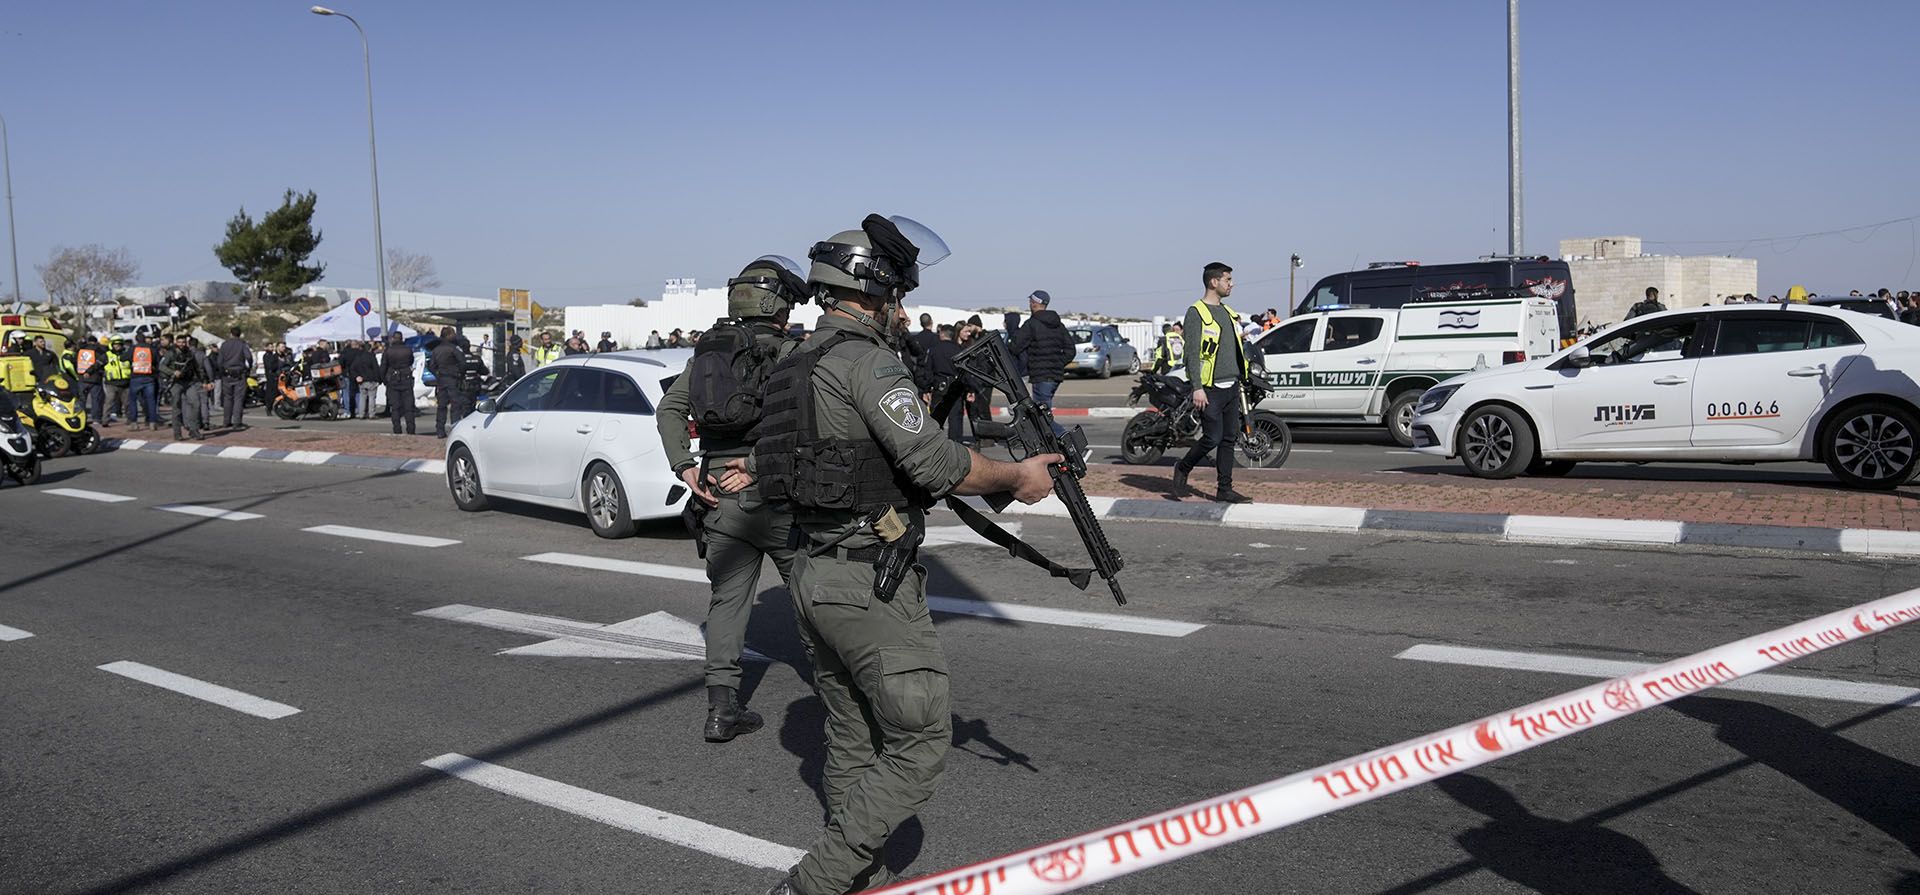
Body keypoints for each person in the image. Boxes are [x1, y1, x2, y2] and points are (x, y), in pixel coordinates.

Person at [742, 216, 1058, 895]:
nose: (904, 310)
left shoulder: (796, 360)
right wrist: (1016, 477)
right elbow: (935, 460)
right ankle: (818, 879)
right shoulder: (866, 360)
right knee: (917, 744)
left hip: (809, 571)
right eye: (897, 295)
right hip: (866, 579)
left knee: (852, 735)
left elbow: (856, 458)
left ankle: (847, 864)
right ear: (871, 290)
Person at [655, 255, 809, 743]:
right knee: (813, 600)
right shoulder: (793, 353)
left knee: (726, 602)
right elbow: (809, 424)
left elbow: (670, 409)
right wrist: (761, 469)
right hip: (778, 490)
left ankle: (721, 711)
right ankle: (839, 706)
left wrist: (685, 465)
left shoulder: (708, 354)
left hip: (718, 489)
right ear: (779, 304)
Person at [1172, 261, 1251, 504]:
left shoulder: (1228, 312)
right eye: (1228, 279)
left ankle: (1224, 490)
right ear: (1213, 282)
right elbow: (1192, 354)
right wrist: (1197, 387)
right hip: (1210, 389)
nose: (1232, 284)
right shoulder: (1196, 312)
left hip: (1231, 386)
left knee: (1229, 439)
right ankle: (1183, 467)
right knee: (1212, 438)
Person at [1009, 289, 1072, 434]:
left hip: (1041, 376)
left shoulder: (1031, 324)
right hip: (1055, 376)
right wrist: (1057, 363)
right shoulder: (1059, 325)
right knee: (1044, 413)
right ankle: (1050, 447)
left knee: (1042, 417)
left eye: (1030, 302)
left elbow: (1015, 347)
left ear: (1034, 303)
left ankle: (1066, 441)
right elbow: (1071, 350)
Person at [164, 333, 212, 441]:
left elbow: (197, 368)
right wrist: (172, 372)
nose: (181, 344)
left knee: (196, 404)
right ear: (176, 342)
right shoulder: (171, 353)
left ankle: (194, 430)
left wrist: (204, 380)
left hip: (189, 382)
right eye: (179, 342)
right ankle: (177, 433)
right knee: (177, 408)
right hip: (176, 383)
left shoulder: (189, 353)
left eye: (184, 342)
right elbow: (161, 366)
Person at [379, 333, 417, 435]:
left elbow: (383, 366)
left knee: (395, 407)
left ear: (393, 339)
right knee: (409, 407)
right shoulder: (407, 350)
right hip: (406, 378)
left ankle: (397, 428)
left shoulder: (388, 351)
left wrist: (384, 380)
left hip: (393, 379)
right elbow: (411, 361)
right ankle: (411, 429)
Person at [216, 326, 253, 429]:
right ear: (240, 334)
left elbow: (219, 361)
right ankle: (237, 422)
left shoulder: (224, 344)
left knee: (227, 398)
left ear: (230, 333)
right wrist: (248, 367)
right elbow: (249, 357)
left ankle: (226, 421)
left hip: (227, 374)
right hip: (239, 373)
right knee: (238, 398)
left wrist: (222, 370)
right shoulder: (242, 344)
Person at [430, 327, 464, 438]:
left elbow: (431, 366)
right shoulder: (453, 348)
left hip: (442, 380)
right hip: (452, 379)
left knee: (442, 406)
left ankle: (440, 430)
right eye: (453, 334)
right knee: (456, 405)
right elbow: (462, 363)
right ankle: (455, 429)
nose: (454, 336)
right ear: (448, 335)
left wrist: (438, 374)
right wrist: (460, 374)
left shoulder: (436, 350)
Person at [127, 333, 159, 431]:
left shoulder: (133, 349)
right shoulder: (151, 348)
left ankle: (134, 423)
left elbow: (123, 358)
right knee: (151, 400)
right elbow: (156, 360)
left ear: (136, 340)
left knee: (132, 401)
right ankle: (152, 423)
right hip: (149, 377)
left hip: (136, 377)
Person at [73, 334, 105, 424]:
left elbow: (75, 362)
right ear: (95, 342)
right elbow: (100, 363)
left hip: (82, 378)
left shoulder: (80, 350)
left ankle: (81, 418)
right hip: (95, 379)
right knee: (96, 400)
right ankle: (96, 419)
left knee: (82, 400)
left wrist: (80, 373)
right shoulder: (98, 350)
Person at [102, 337, 131, 426]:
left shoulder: (126, 355)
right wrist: (89, 372)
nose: (117, 346)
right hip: (111, 383)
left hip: (125, 382)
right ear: (112, 345)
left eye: (119, 345)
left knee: (127, 403)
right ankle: (105, 421)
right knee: (109, 402)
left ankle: (130, 419)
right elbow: (97, 364)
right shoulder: (107, 355)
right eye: (116, 345)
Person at [349, 339, 381, 419]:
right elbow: (376, 369)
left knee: (362, 398)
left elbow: (352, 368)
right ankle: (371, 414)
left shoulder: (358, 357)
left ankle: (361, 414)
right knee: (371, 397)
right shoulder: (371, 357)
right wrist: (379, 380)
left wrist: (357, 376)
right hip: (371, 380)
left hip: (362, 380)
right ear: (370, 349)